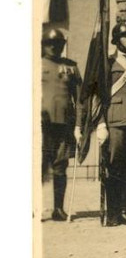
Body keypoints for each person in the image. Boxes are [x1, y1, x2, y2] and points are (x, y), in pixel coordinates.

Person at [79, 22, 126, 226]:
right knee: (113, 167)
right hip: (115, 121)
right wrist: (100, 123)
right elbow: (97, 97)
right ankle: (113, 213)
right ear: (116, 40)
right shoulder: (107, 64)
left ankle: (124, 211)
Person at [42, 28, 81, 221]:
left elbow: (80, 98)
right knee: (37, 167)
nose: (54, 47)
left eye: (58, 44)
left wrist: (79, 125)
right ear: (44, 45)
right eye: (50, 44)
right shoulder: (36, 65)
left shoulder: (71, 67)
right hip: (41, 126)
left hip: (64, 125)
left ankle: (58, 208)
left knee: (60, 167)